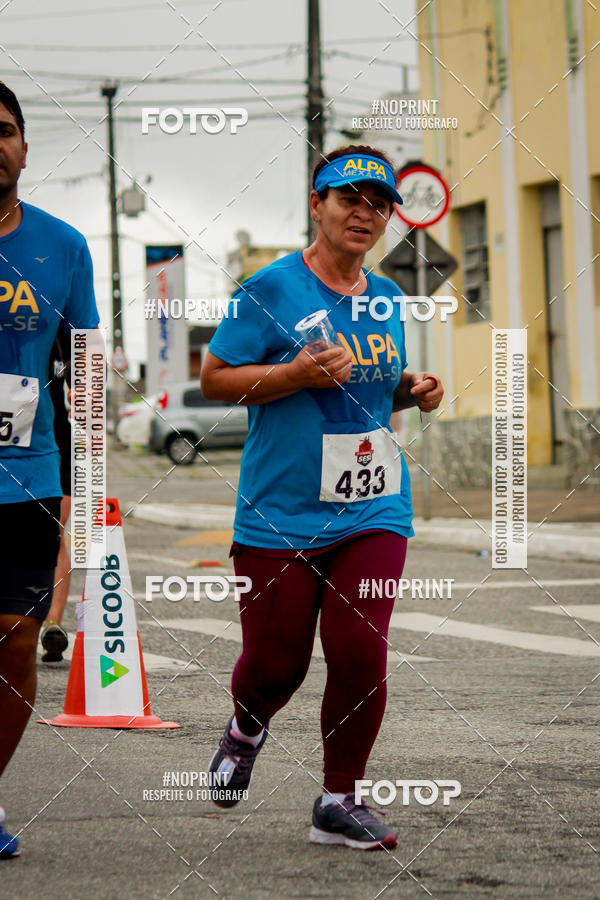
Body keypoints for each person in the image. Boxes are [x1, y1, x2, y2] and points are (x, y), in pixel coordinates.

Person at [201, 144, 444, 850]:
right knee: (279, 666)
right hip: (280, 509)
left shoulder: (390, 298)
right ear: (318, 206)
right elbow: (215, 380)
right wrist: (294, 375)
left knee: (360, 649)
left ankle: (340, 799)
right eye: (349, 199)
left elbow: (372, 385)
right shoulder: (270, 288)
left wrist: (412, 390)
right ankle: (247, 727)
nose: (364, 214)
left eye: (378, 204)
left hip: (372, 503)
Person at [0, 82, 100, 859]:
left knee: (14, 645)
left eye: (3, 131)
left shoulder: (64, 247)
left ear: (25, 149)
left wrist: (90, 468)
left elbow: (87, 367)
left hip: (25, 480)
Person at [39, 338, 72, 663]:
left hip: (55, 441)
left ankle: (53, 625)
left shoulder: (62, 332)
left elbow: (91, 365)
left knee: (55, 533)